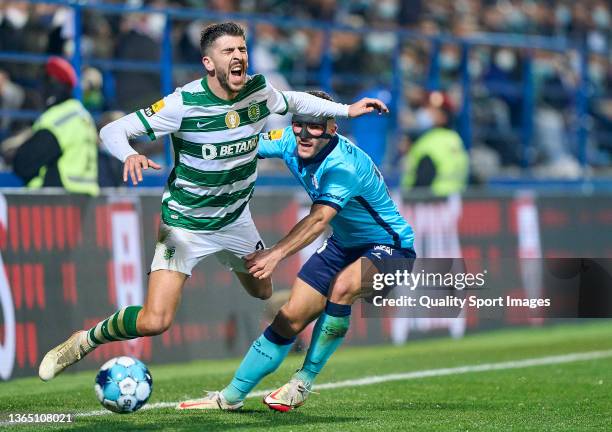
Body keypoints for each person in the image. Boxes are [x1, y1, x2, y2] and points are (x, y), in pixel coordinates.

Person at [38, 22, 388, 381]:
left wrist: (347, 110)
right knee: (155, 321)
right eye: (229, 52)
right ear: (208, 62)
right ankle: (85, 340)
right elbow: (111, 130)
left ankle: (275, 293)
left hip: (236, 221)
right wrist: (128, 154)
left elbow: (295, 100)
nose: (239, 57)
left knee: (263, 290)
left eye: (242, 50)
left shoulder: (258, 90)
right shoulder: (183, 103)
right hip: (185, 226)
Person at [176, 91, 415, 411]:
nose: (303, 133)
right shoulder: (289, 139)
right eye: (299, 123)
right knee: (288, 318)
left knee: (342, 287)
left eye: (314, 126)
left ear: (332, 129)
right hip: (344, 244)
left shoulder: (343, 166)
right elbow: (241, 146)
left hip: (393, 248)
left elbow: (318, 221)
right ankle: (229, 398)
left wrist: (275, 253)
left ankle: (302, 382)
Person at [12, 56, 99, 196]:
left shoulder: (59, 118)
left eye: (45, 82)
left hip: (55, 203)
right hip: (84, 202)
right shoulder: (83, 116)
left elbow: (23, 164)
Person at [401, 91, 469, 197]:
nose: (426, 113)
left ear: (443, 117)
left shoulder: (430, 142)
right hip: (453, 205)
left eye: (432, 111)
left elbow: (421, 184)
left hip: (431, 205)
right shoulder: (455, 139)